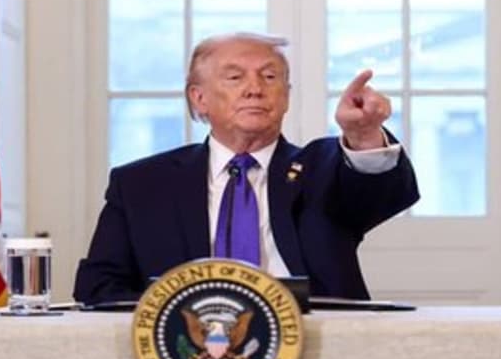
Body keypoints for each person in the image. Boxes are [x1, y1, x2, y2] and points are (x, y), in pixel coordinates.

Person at [73, 33, 419, 303]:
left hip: (316, 344)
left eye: (269, 76)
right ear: (199, 98)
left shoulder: (322, 170)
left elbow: (377, 191)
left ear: (286, 96)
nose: (255, 89)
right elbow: (99, 286)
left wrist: (363, 135)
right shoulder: (142, 184)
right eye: (235, 77)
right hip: (188, 349)